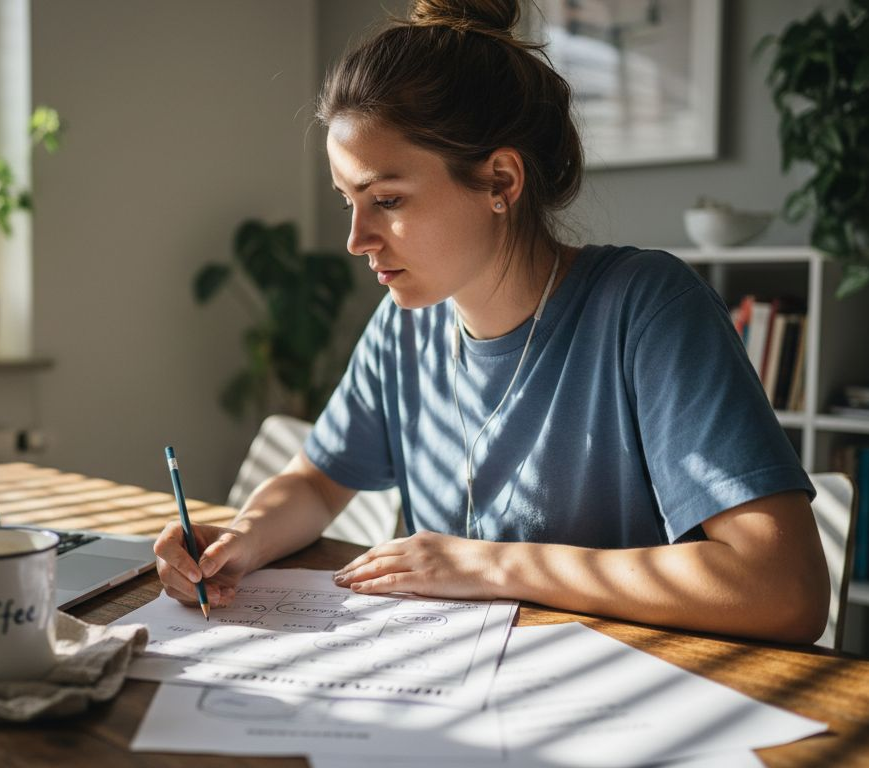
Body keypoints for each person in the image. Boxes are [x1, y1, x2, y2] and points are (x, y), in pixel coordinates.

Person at [155, 0, 829, 644]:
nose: (358, 239)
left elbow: (784, 586)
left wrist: (490, 563)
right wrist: (240, 538)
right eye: (347, 203)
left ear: (502, 182)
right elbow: (316, 480)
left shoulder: (648, 310)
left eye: (386, 199)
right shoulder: (404, 327)